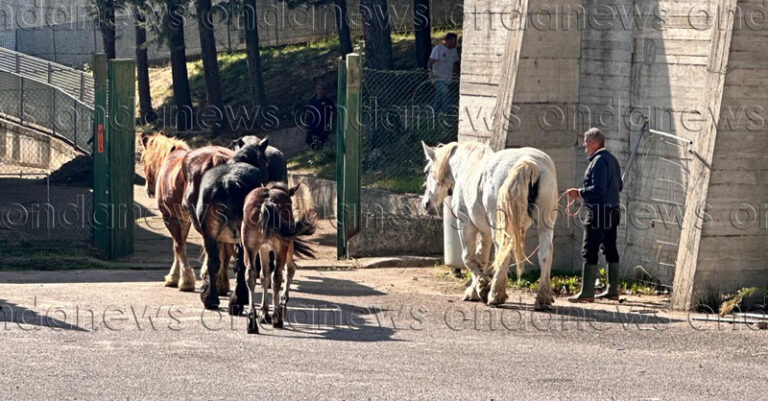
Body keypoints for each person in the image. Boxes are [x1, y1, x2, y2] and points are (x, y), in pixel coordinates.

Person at [565, 128, 623, 303]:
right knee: (610, 248)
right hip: (613, 211)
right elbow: (618, 186)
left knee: (589, 250)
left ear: (594, 143)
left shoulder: (598, 161)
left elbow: (598, 189)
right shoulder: (612, 159)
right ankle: (612, 290)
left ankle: (587, 292)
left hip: (598, 213)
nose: (583, 145)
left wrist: (579, 193)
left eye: (585, 142)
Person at [428, 33, 459, 114]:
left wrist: (455, 75)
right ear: (450, 40)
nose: (456, 43)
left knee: (439, 95)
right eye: (455, 41)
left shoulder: (453, 50)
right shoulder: (438, 49)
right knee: (446, 93)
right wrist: (431, 75)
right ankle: (448, 112)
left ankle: (435, 112)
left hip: (448, 77)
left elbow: (455, 63)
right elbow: (430, 62)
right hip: (438, 77)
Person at [304, 82, 336, 150]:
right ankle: (313, 153)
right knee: (309, 140)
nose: (320, 91)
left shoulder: (328, 101)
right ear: (316, 90)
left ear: (324, 90)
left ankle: (319, 153)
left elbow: (332, 113)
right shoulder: (311, 100)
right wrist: (305, 123)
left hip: (323, 125)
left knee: (321, 141)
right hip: (312, 124)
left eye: (322, 89)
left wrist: (329, 124)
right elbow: (307, 111)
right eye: (318, 89)